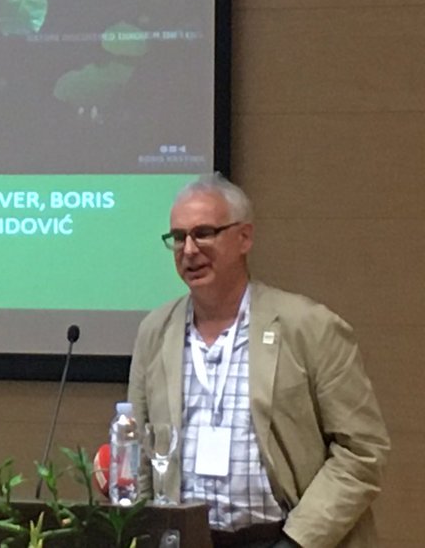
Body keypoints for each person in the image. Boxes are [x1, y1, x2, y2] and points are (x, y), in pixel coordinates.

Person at [127, 173, 389, 548]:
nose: (188, 250)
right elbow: (140, 452)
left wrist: (298, 541)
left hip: (286, 539)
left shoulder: (309, 327)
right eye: (179, 237)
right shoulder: (155, 331)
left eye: (203, 233)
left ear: (244, 237)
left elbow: (362, 451)